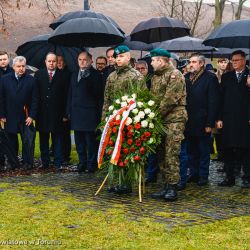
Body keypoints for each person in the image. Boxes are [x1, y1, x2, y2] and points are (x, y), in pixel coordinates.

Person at [103, 45, 144, 194]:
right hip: (113, 120)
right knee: (113, 151)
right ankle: (116, 181)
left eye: (121, 56)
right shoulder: (111, 76)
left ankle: (126, 183)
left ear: (128, 57)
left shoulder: (136, 76)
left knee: (127, 151)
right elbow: (106, 100)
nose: (118, 59)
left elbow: (141, 100)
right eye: (116, 57)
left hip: (129, 121)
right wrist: (104, 120)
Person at [149, 48, 187, 202]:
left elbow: (170, 100)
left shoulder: (175, 75)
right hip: (160, 120)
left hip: (174, 120)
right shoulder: (156, 77)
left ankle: (172, 187)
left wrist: (153, 115)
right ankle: (165, 185)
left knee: (171, 153)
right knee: (161, 153)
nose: (151, 63)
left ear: (161, 60)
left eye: (153, 60)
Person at [185, 53, 219, 186]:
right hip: (189, 120)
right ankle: (193, 173)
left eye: (194, 62)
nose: (191, 64)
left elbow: (213, 101)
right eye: (190, 62)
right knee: (191, 150)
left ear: (201, 64)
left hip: (203, 121)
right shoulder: (187, 77)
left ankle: (203, 175)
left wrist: (210, 122)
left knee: (203, 150)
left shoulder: (210, 78)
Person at [217, 50, 250, 188]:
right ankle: (229, 177)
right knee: (228, 149)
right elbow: (220, 99)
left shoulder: (248, 76)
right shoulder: (227, 77)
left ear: (244, 61)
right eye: (233, 60)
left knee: (246, 150)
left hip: (245, 119)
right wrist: (219, 118)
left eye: (237, 60)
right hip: (229, 118)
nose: (234, 63)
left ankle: (247, 178)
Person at [67, 51, 103, 173]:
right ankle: (82, 162)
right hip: (76, 113)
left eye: (84, 60)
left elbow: (98, 95)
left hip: (89, 114)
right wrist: (68, 110)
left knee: (90, 141)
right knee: (79, 141)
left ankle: (91, 163)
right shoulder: (73, 74)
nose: (82, 62)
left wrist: (87, 79)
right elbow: (70, 94)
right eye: (80, 60)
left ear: (90, 60)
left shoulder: (95, 75)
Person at [0, 56, 38, 169]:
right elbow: (1, 98)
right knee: (11, 141)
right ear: (13, 67)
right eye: (18, 66)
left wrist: (32, 116)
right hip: (9, 115)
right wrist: (2, 115)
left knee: (27, 141)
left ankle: (27, 163)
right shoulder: (4, 79)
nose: (21, 68)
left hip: (25, 116)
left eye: (23, 66)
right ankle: (13, 162)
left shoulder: (31, 80)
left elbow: (35, 99)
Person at [35, 52, 69, 170]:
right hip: (42, 114)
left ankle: (57, 162)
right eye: (49, 61)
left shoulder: (64, 76)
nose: (51, 63)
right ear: (45, 62)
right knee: (43, 139)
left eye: (54, 61)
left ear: (56, 62)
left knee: (57, 139)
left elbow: (66, 96)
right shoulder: (38, 74)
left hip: (58, 114)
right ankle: (45, 162)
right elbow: (36, 95)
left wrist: (65, 114)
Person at [136, 60, 159, 184]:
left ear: (147, 69)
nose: (140, 71)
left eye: (142, 69)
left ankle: (152, 173)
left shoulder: (152, 81)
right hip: (136, 118)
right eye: (138, 69)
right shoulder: (134, 81)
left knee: (151, 147)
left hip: (150, 117)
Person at [0, 51, 13, 169]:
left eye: (4, 59)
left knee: (9, 135)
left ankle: (11, 158)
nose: (3, 61)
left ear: (8, 59)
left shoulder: (12, 72)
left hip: (10, 108)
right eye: (0, 59)